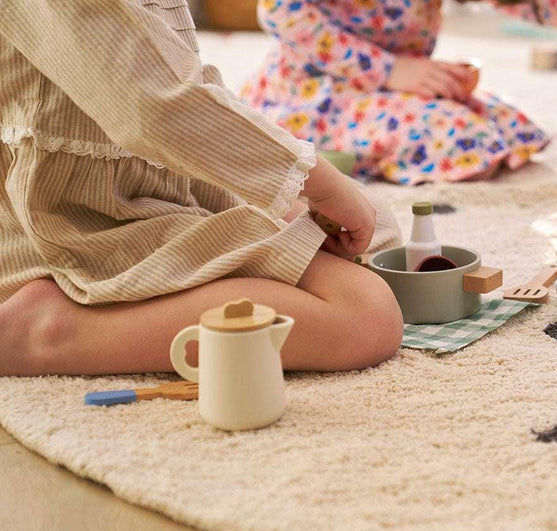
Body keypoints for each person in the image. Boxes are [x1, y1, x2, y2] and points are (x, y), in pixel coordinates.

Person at [0, 0, 405, 377]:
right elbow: (154, 104)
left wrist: (296, 187)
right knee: (366, 316)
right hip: (75, 215)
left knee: (376, 228)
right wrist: (312, 177)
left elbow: (180, 76)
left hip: (159, 179)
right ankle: (51, 332)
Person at [239, 0, 557, 184]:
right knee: (465, 139)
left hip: (402, 88)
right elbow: (279, 10)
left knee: (515, 131)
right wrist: (390, 70)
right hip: (314, 93)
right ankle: (346, 154)